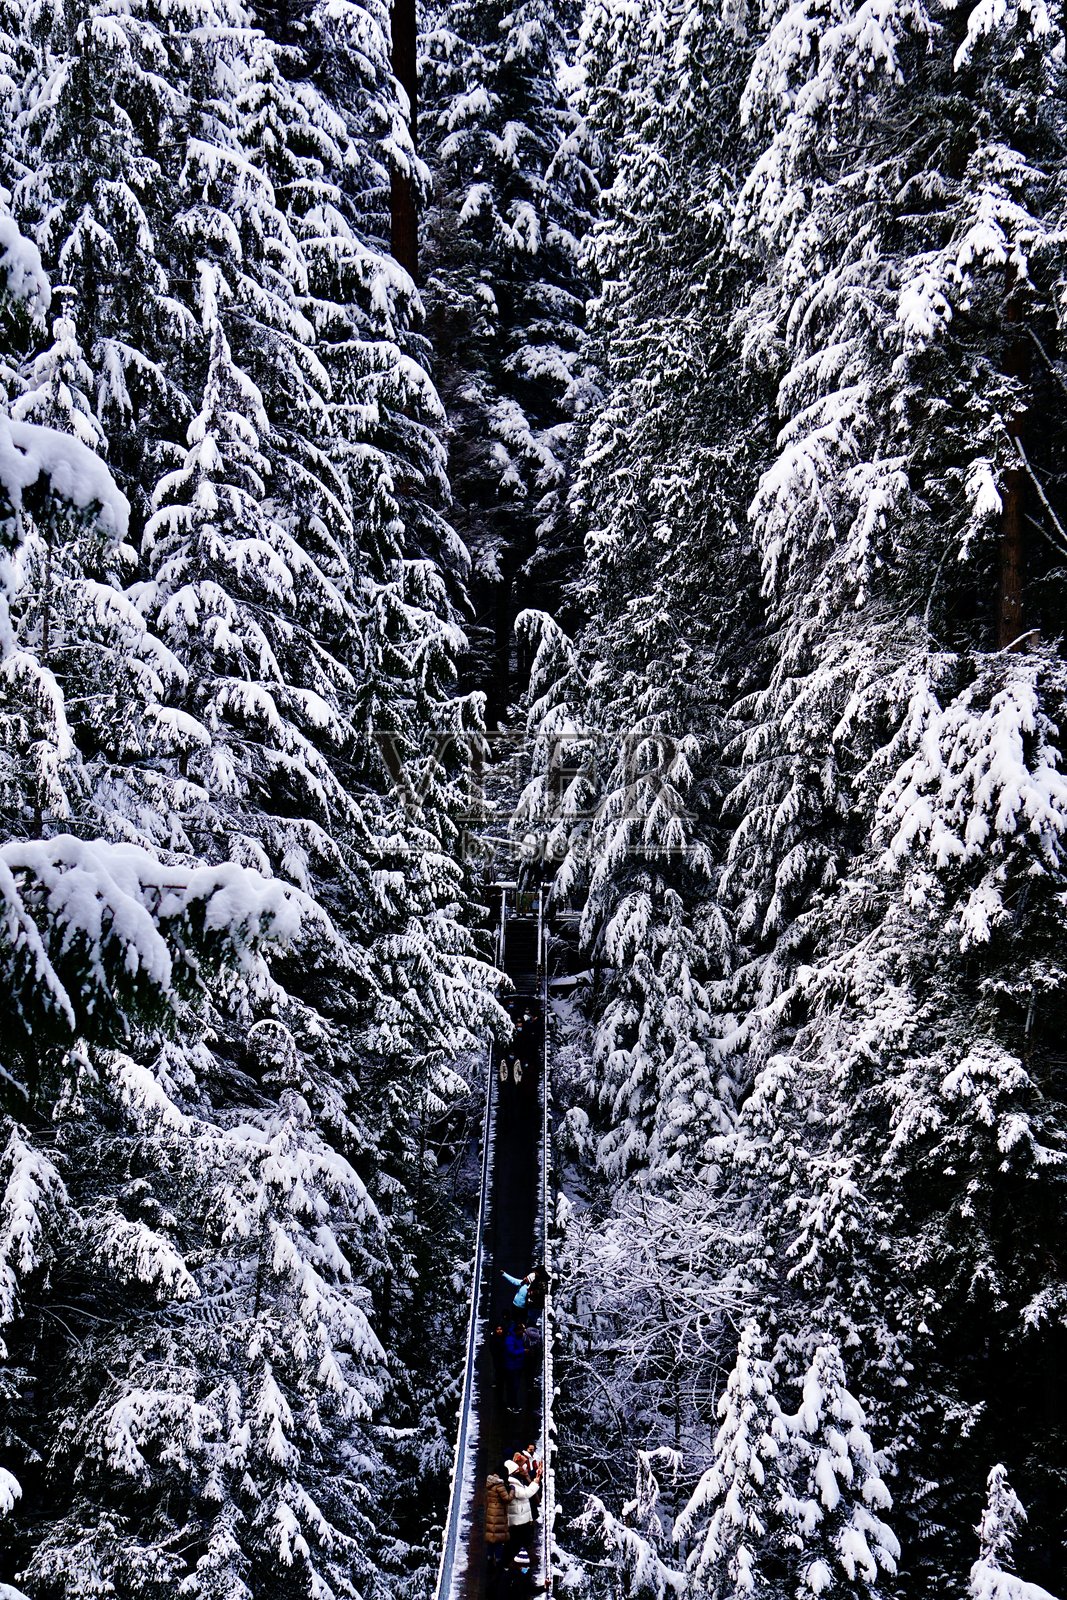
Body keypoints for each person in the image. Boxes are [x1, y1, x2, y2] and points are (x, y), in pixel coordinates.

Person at [505, 1451, 542, 1572]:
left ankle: (518, 1566)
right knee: (516, 1544)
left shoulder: (516, 1481)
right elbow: (525, 1494)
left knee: (519, 1542)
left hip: (521, 1518)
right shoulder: (512, 1483)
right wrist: (536, 1482)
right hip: (518, 1520)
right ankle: (513, 1567)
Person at [484, 1466, 513, 1591]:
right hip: (499, 1516)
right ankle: (499, 1564)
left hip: (491, 1514)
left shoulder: (490, 1483)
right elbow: (507, 1499)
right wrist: (512, 1490)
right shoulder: (500, 1485)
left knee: (491, 1538)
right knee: (499, 1541)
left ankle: (489, 1560)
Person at [502, 1319, 527, 1412]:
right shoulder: (510, 1339)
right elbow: (511, 1351)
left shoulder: (518, 1337)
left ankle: (513, 1403)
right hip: (511, 1366)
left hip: (518, 1365)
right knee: (512, 1386)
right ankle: (512, 1404)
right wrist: (523, 1351)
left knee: (514, 1386)